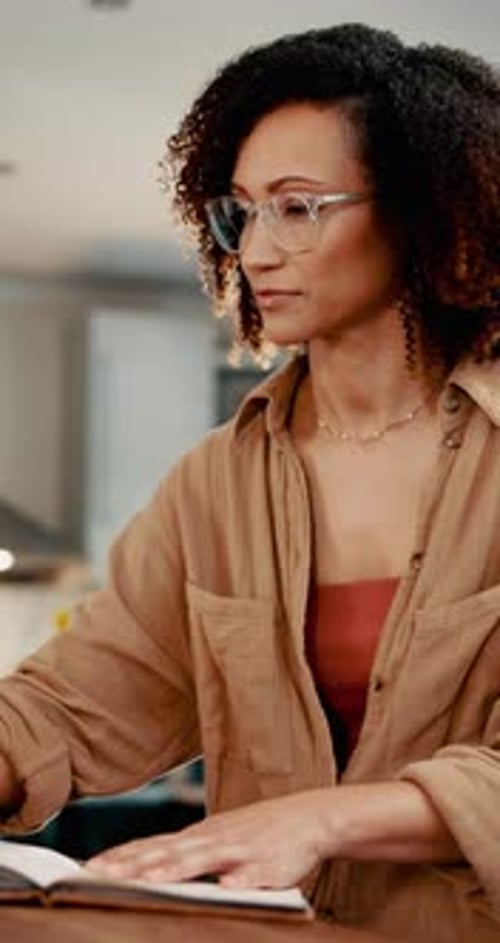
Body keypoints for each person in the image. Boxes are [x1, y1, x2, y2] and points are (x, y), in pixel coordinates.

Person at [0, 21, 499, 942]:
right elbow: (80, 700)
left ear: (427, 212)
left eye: (299, 206)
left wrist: (322, 817)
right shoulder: (215, 481)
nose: (256, 250)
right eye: (241, 210)